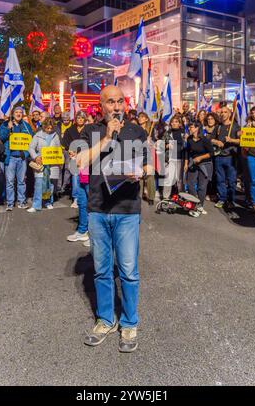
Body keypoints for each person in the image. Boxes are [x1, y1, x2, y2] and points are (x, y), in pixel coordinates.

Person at [77, 85, 149, 353]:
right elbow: (80, 162)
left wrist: (141, 173)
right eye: (111, 102)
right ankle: (106, 320)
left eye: (120, 101)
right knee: (102, 270)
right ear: (101, 104)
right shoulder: (91, 131)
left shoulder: (136, 131)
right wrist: (106, 139)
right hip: (98, 211)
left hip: (127, 210)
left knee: (128, 271)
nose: (117, 106)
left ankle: (129, 322)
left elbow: (148, 164)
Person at [0, 106, 33, 211]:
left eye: (20, 112)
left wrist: (26, 154)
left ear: (22, 114)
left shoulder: (26, 126)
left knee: (21, 181)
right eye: (16, 112)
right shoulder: (5, 124)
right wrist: (8, 129)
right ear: (13, 114)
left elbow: (31, 141)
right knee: (9, 181)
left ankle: (21, 201)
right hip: (11, 157)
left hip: (22, 158)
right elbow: (1, 138)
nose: (18, 114)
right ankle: (10, 203)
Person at [27, 118, 60, 212]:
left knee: (50, 184)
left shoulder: (55, 136)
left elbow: (58, 149)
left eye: (51, 128)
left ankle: (48, 202)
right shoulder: (38, 135)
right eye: (47, 128)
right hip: (40, 163)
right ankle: (36, 205)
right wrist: (36, 157)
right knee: (38, 183)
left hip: (52, 164)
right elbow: (31, 148)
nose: (49, 130)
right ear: (44, 126)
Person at [212, 106, 240, 209]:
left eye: (225, 112)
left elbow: (241, 141)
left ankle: (231, 200)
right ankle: (222, 199)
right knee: (220, 180)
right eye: (221, 112)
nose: (223, 114)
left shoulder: (236, 126)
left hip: (231, 157)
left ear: (229, 114)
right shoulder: (218, 126)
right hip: (219, 157)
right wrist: (217, 141)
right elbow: (211, 139)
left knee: (232, 181)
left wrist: (232, 140)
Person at [184, 121, 214, 217]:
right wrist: (186, 163)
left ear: (197, 128)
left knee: (202, 186)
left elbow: (212, 153)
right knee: (190, 184)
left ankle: (200, 205)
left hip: (205, 164)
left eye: (191, 127)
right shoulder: (189, 139)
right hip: (193, 163)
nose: (190, 129)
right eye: (189, 127)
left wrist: (201, 158)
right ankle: (194, 202)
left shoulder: (205, 140)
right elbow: (187, 151)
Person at [62, 111, 87, 209]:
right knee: (75, 176)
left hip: (85, 157)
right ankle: (76, 198)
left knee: (85, 177)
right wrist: (70, 151)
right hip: (73, 157)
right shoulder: (69, 130)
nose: (80, 120)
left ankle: (85, 197)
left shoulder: (88, 129)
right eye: (78, 118)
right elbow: (65, 143)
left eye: (82, 118)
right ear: (75, 119)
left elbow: (92, 143)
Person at [162, 115, 185, 198]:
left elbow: (188, 146)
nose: (174, 123)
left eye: (176, 122)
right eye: (172, 122)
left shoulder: (184, 133)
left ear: (179, 123)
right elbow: (160, 145)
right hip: (170, 159)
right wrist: (167, 146)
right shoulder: (167, 133)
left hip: (180, 159)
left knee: (179, 180)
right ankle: (165, 198)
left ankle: (180, 198)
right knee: (168, 179)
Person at [138, 112, 156, 205]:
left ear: (146, 119)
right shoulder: (136, 129)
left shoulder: (150, 130)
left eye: (142, 117)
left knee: (150, 176)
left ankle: (151, 197)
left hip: (148, 155)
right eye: (139, 117)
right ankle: (139, 196)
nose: (140, 118)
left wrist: (150, 142)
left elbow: (154, 143)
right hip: (138, 155)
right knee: (140, 176)